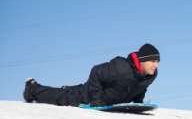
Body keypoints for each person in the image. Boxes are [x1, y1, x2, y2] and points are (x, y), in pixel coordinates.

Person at [24, 44, 160, 107]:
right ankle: (32, 88)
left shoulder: (151, 75)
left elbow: (140, 86)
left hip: (109, 100)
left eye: (157, 62)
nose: (156, 65)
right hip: (89, 95)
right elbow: (96, 71)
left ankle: (68, 88)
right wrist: (96, 100)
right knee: (62, 97)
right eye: (152, 61)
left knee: (68, 91)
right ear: (142, 61)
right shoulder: (121, 68)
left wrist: (138, 103)